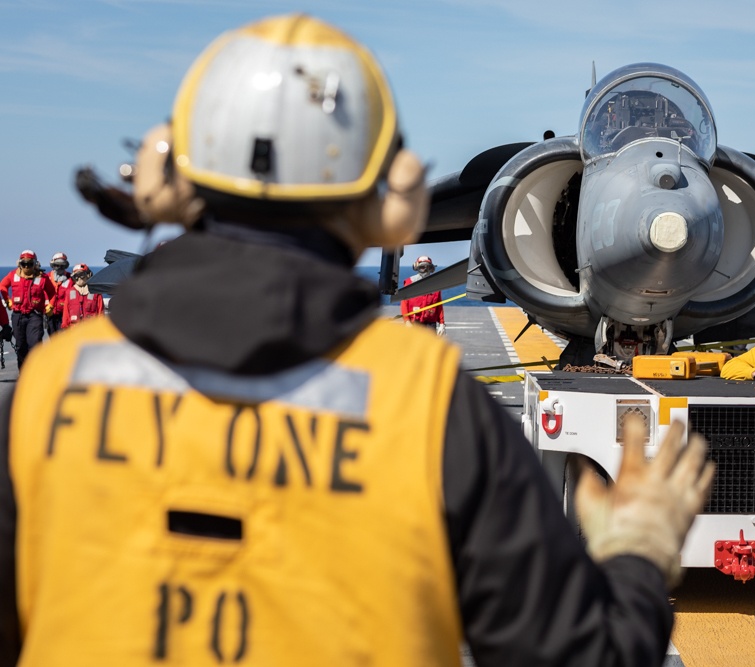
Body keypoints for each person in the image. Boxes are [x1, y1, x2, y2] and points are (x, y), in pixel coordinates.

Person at [0, 15, 713, 666]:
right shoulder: (428, 404)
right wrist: (635, 554)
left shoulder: (54, 383)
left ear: (164, 171)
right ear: (394, 198)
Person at [0, 250, 56, 369]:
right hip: (18, 316)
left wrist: (50, 306)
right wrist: (7, 300)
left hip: (34, 316)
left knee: (34, 344)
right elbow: (2, 286)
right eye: (24, 264)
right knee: (20, 346)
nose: (26, 266)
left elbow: (52, 293)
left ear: (34, 263)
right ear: (20, 263)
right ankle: (23, 372)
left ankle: (36, 370)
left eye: (29, 264)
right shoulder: (13, 275)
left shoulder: (42, 278)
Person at [399, 254, 445, 335]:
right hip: (414, 322)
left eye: (427, 267)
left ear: (431, 268)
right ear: (417, 268)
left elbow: (439, 305)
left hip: (430, 323)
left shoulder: (436, 284)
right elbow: (404, 303)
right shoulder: (410, 282)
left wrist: (442, 323)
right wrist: (407, 321)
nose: (425, 270)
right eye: (422, 267)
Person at [60, 263, 105, 329]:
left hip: (91, 330)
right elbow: (66, 312)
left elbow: (100, 312)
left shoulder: (95, 292)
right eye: (76, 276)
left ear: (88, 275)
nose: (79, 278)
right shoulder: (69, 293)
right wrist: (65, 326)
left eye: (81, 275)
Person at [46, 251, 71, 336]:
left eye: (62, 266)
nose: (59, 268)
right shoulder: (46, 278)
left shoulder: (71, 279)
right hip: (50, 315)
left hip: (64, 315)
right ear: (52, 265)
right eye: (57, 265)